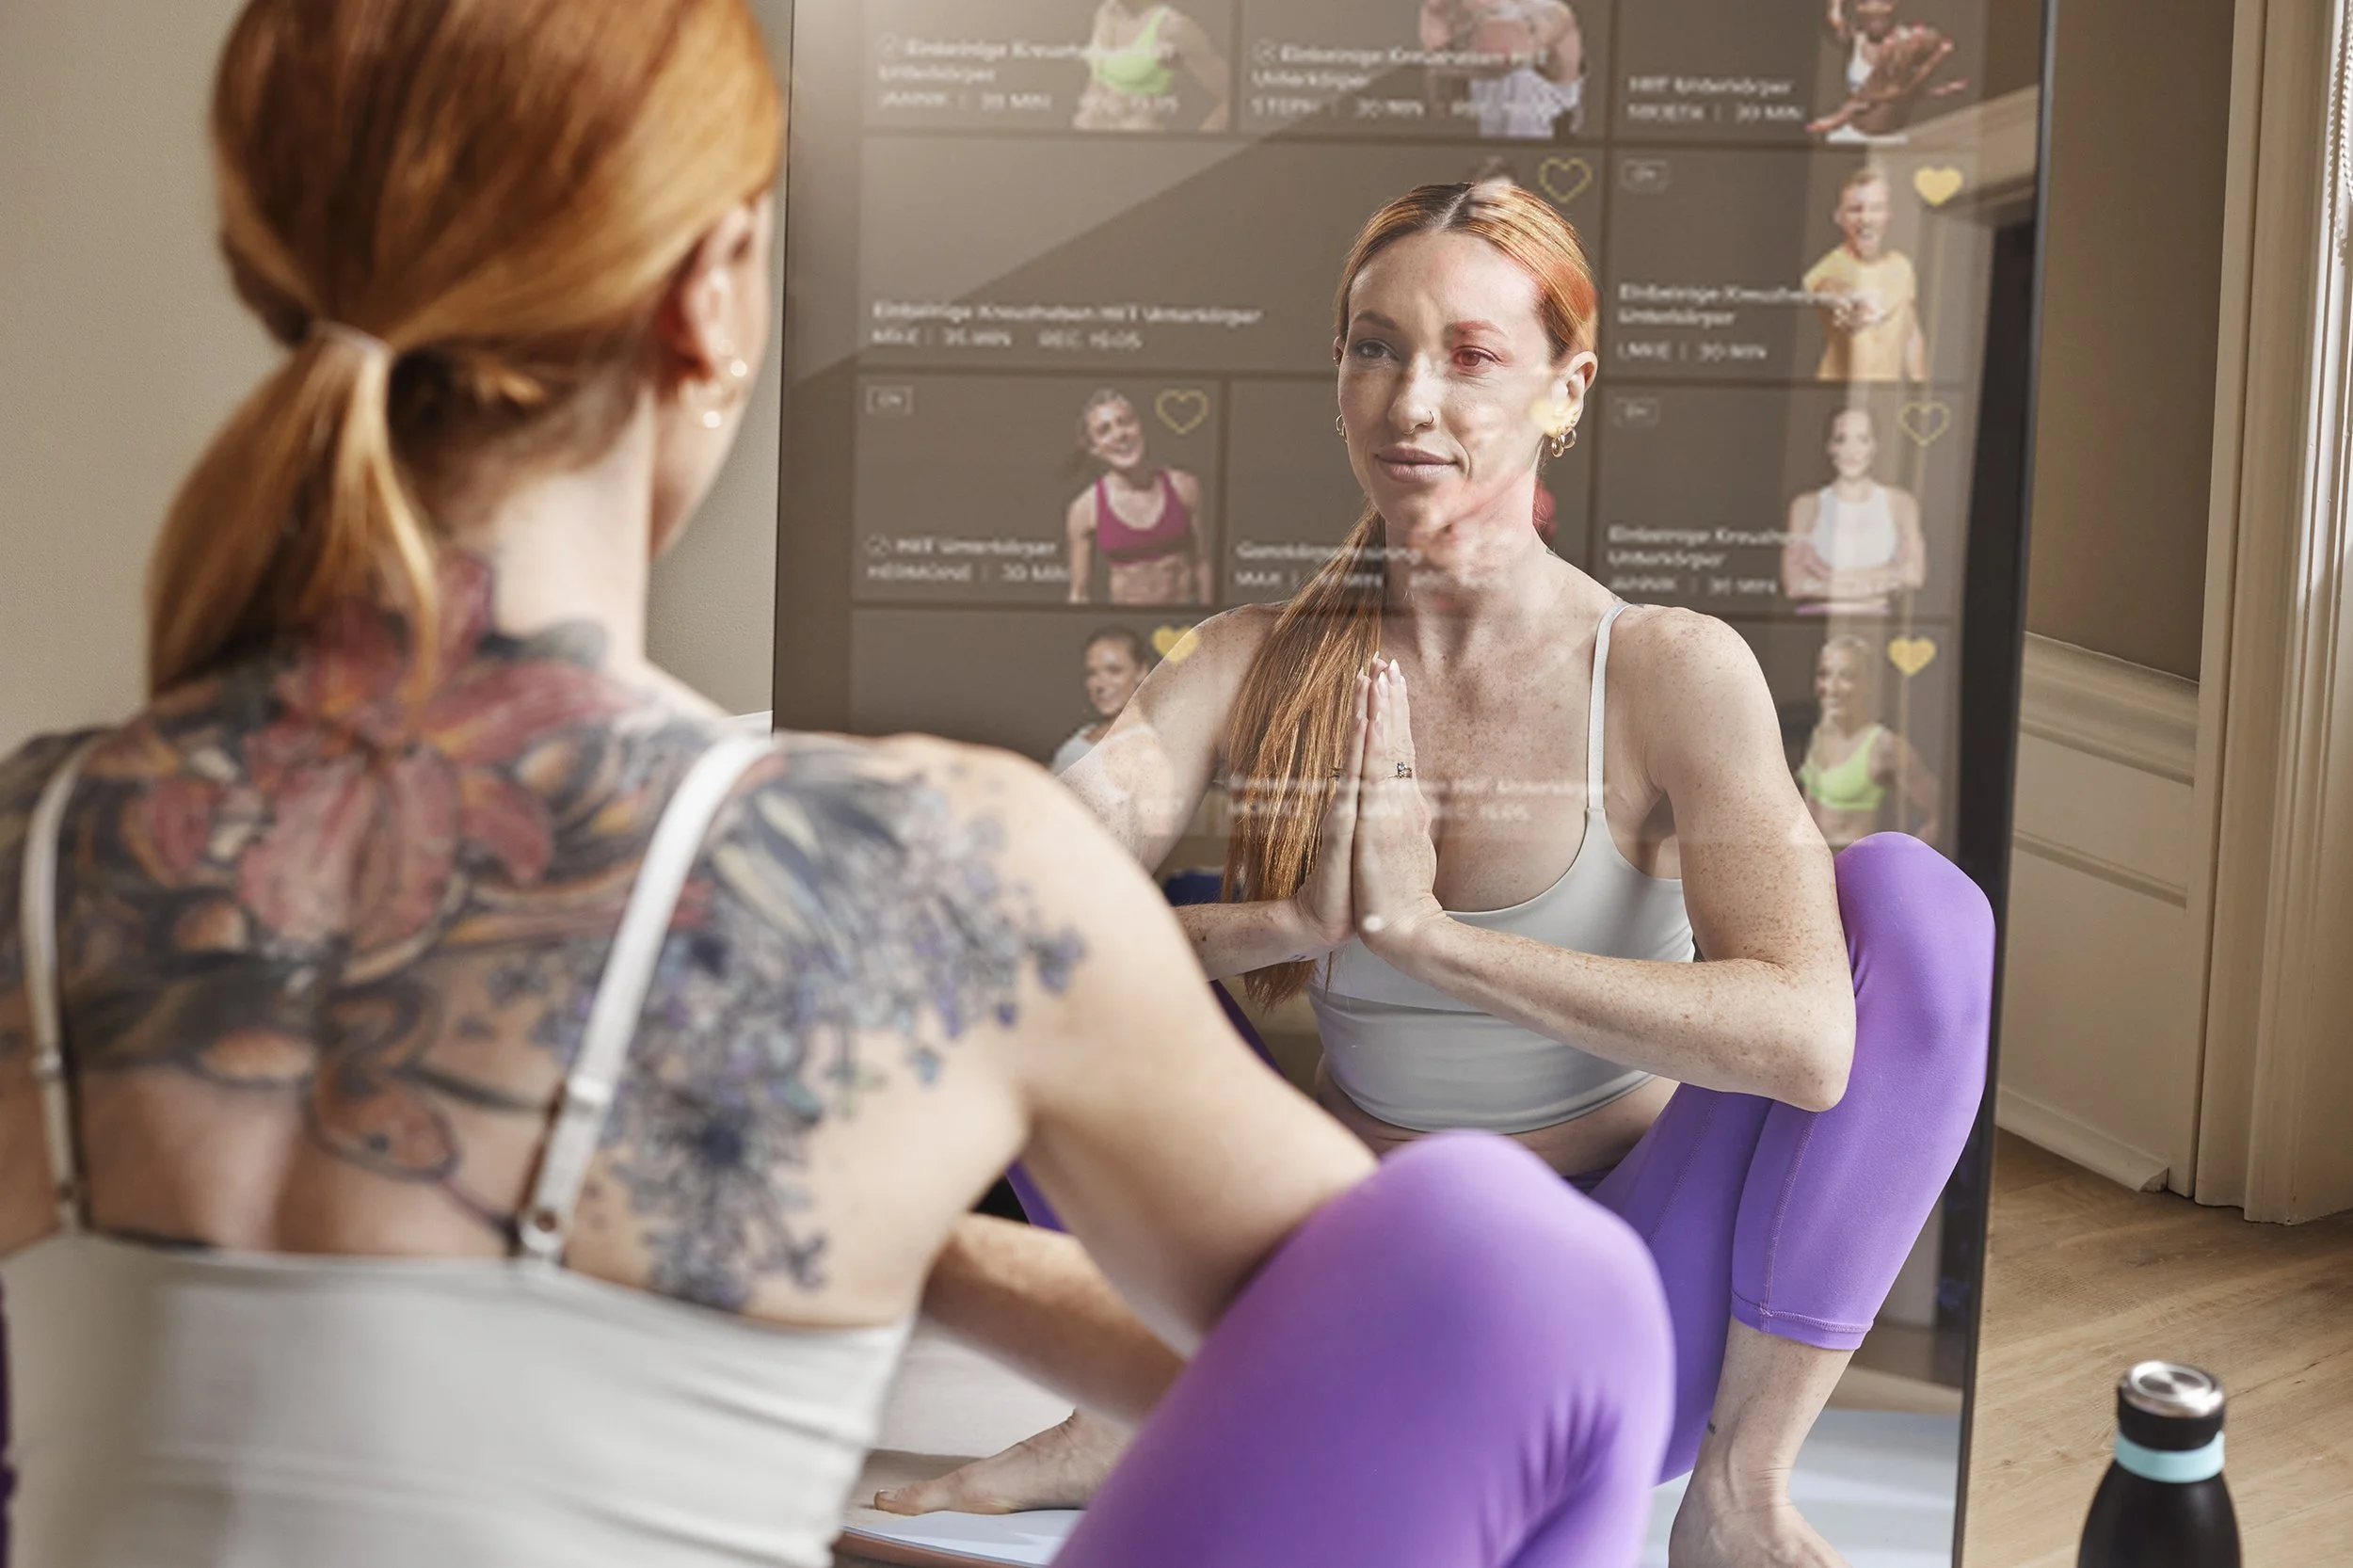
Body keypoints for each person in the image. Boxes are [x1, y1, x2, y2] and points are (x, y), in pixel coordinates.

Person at [0, 8, 1690, 1566]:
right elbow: (1457, 1330)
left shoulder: (35, 834)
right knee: (1535, 1282)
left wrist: (876, 1257)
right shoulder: (912, 867)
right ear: (712, 296)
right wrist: (848, 1232)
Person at [889, 181, 1993, 1568]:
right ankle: (1148, 1383)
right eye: (1373, 346)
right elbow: (1003, 924)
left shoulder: (1664, 670)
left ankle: (1741, 1492)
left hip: (1619, 1302)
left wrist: (1429, 939)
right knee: (1109, 933)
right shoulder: (1246, 658)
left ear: (1565, 389)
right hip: (1324, 1278)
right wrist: (1287, 922)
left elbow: (1812, 1039)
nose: (1413, 398)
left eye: (1471, 353)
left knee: (1917, 910)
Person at [1063, 391, 1212, 606]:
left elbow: (1204, 564)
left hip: (1185, 623)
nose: (1119, 434)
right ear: (1094, 448)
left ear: (1140, 426)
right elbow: (1079, 595)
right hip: (1128, 626)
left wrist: (1211, 629)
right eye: (1104, 430)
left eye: (1125, 422)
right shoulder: (1085, 508)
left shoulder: (1184, 486)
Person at [1797, 636, 1942, 849]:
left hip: (1855, 872)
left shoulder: (1885, 746)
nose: (1831, 688)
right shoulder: (1820, 734)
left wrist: (1904, 864)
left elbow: (1940, 814)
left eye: (1846, 677)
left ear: (1868, 683)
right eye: (1824, 675)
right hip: (1815, 869)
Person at [1781, 407, 1928, 615]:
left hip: (1879, 627)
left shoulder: (1902, 503)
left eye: (1863, 439)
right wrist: (1885, 576)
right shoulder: (1806, 505)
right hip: (1813, 622)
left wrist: (1832, 579)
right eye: (1841, 439)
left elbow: (1914, 575)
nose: (1852, 451)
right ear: (1830, 446)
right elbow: (1795, 584)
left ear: (1875, 446)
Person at [1803, 167, 1928, 382]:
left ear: (1889, 214)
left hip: (1883, 397)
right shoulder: (1829, 267)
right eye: (1855, 210)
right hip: (1837, 396)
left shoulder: (1902, 266)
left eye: (1876, 208)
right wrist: (1846, 299)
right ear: (1839, 217)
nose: (1866, 219)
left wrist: (1920, 386)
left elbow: (1910, 334)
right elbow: (1826, 287)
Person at [1418, 0, 1586, 140]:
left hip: (1544, 154)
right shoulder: (1459, 14)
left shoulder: (1551, 13)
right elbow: (1442, 104)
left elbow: (1504, 55)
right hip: (1490, 154)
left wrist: (1441, 65)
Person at [1809, 0, 1968, 141]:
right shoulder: (1855, 40)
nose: (1875, 10)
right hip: (1852, 135)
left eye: (1884, 4)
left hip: (1893, 139)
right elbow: (1834, 19)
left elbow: (1909, 87)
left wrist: (1930, 91)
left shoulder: (1909, 42)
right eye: (1863, 3)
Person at [1073, 2, 1230, 134]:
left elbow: (1232, 96)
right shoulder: (1107, 12)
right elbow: (1096, 79)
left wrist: (1196, 151)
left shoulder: (1173, 27)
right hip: (1087, 139)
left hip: (1135, 148)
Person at [1050, 628, 1155, 774]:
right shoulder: (1083, 734)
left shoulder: (1151, 744)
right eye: (1092, 673)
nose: (1100, 684)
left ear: (1141, 672)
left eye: (1114, 671)